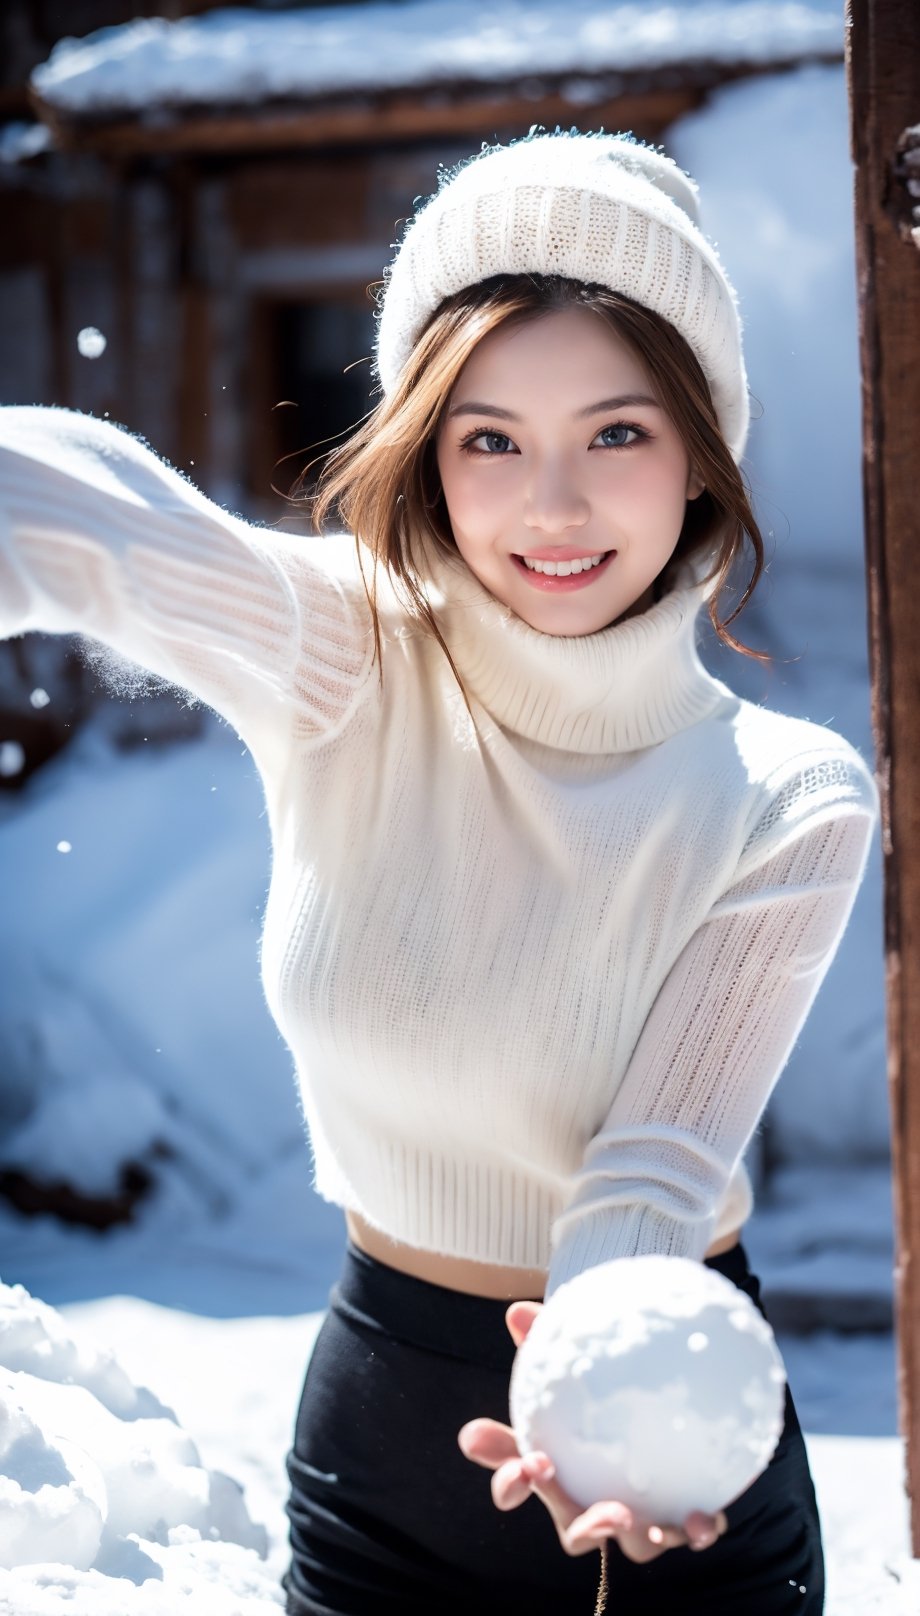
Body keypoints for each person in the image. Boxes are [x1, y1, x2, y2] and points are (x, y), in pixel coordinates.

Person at [0, 131, 877, 1615]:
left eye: (617, 433)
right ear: (424, 444)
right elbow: (112, 539)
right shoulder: (348, 655)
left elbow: (654, 1164)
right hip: (384, 1441)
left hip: (659, 1416)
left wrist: (606, 1410)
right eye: (490, 438)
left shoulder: (783, 795)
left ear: (701, 454)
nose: (552, 507)